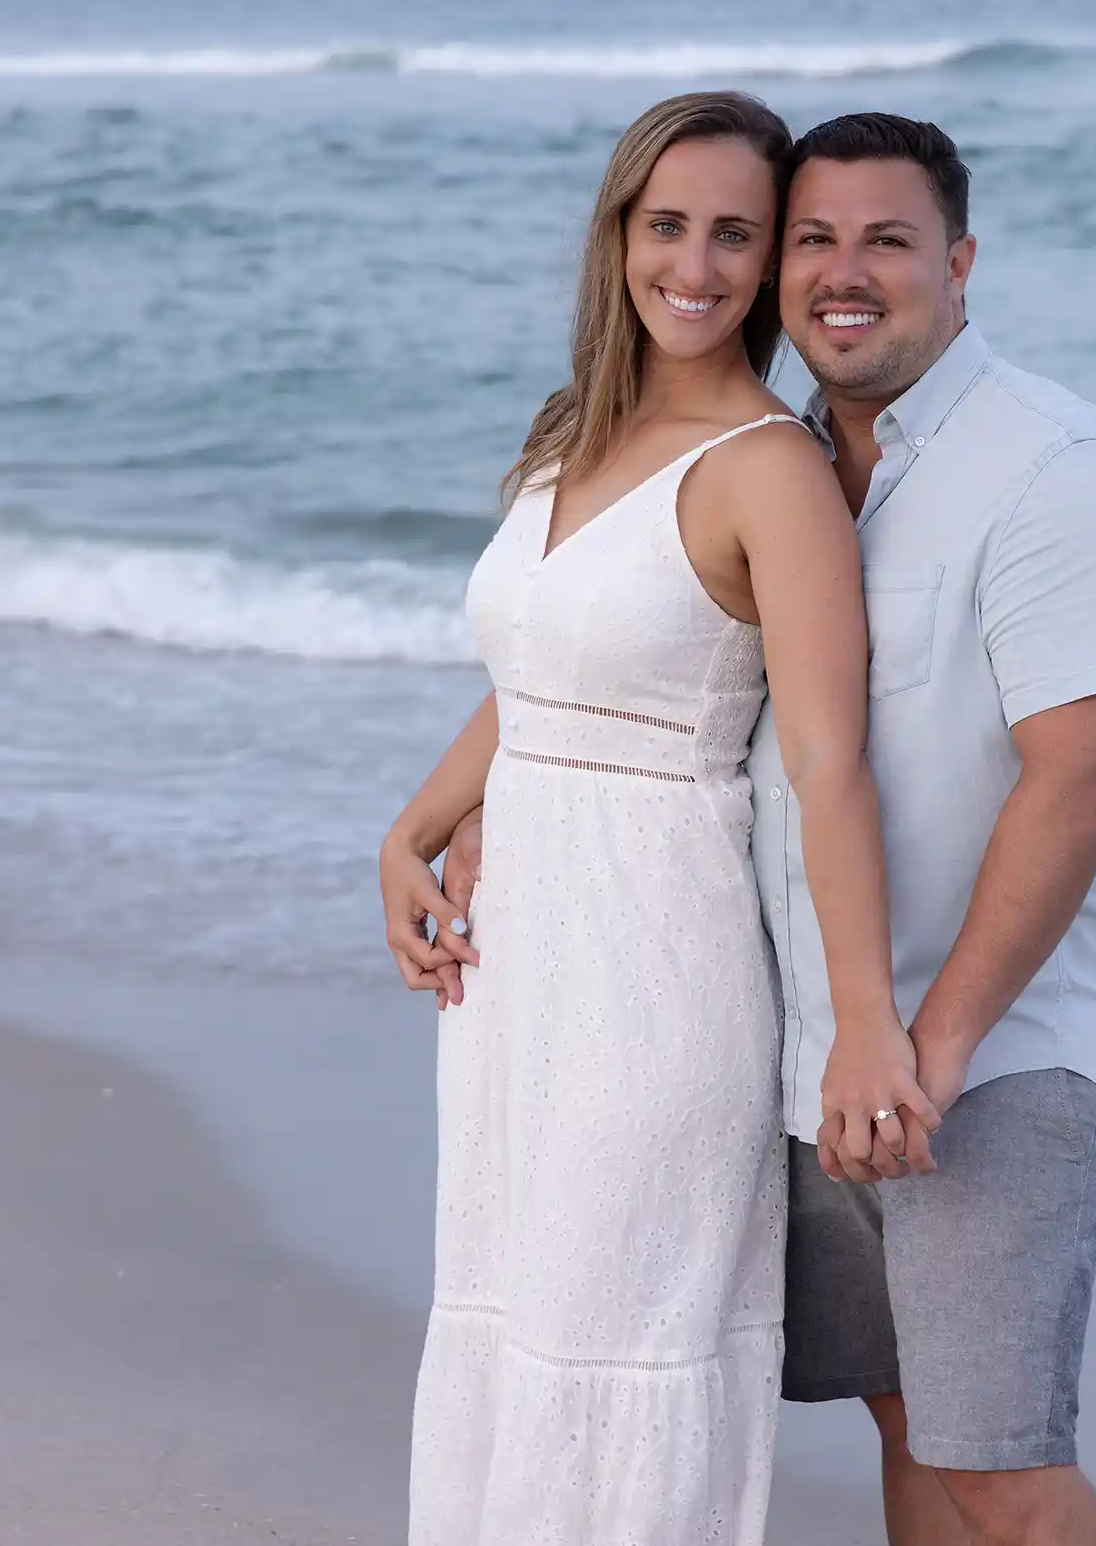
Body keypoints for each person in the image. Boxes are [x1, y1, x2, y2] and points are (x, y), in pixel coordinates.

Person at [435, 113, 1096, 1546]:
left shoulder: (1054, 467)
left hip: (993, 1050)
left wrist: (927, 1041)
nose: (845, 271)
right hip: (807, 1042)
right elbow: (633, 668)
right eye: (815, 239)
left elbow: (1080, 779)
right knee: (911, 1419)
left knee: (997, 1460)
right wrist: (468, 804)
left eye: (885, 240)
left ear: (959, 264)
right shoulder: (799, 459)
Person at [375, 90, 936, 1546]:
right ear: (618, 232)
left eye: (735, 234)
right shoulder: (580, 433)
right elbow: (542, 678)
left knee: (616, 1350)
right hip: (515, 979)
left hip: (651, 975)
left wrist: (865, 1022)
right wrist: (411, 829)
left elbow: (828, 765)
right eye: (667, 222)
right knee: (515, 1316)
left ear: (764, 266)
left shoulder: (767, 470)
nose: (693, 263)